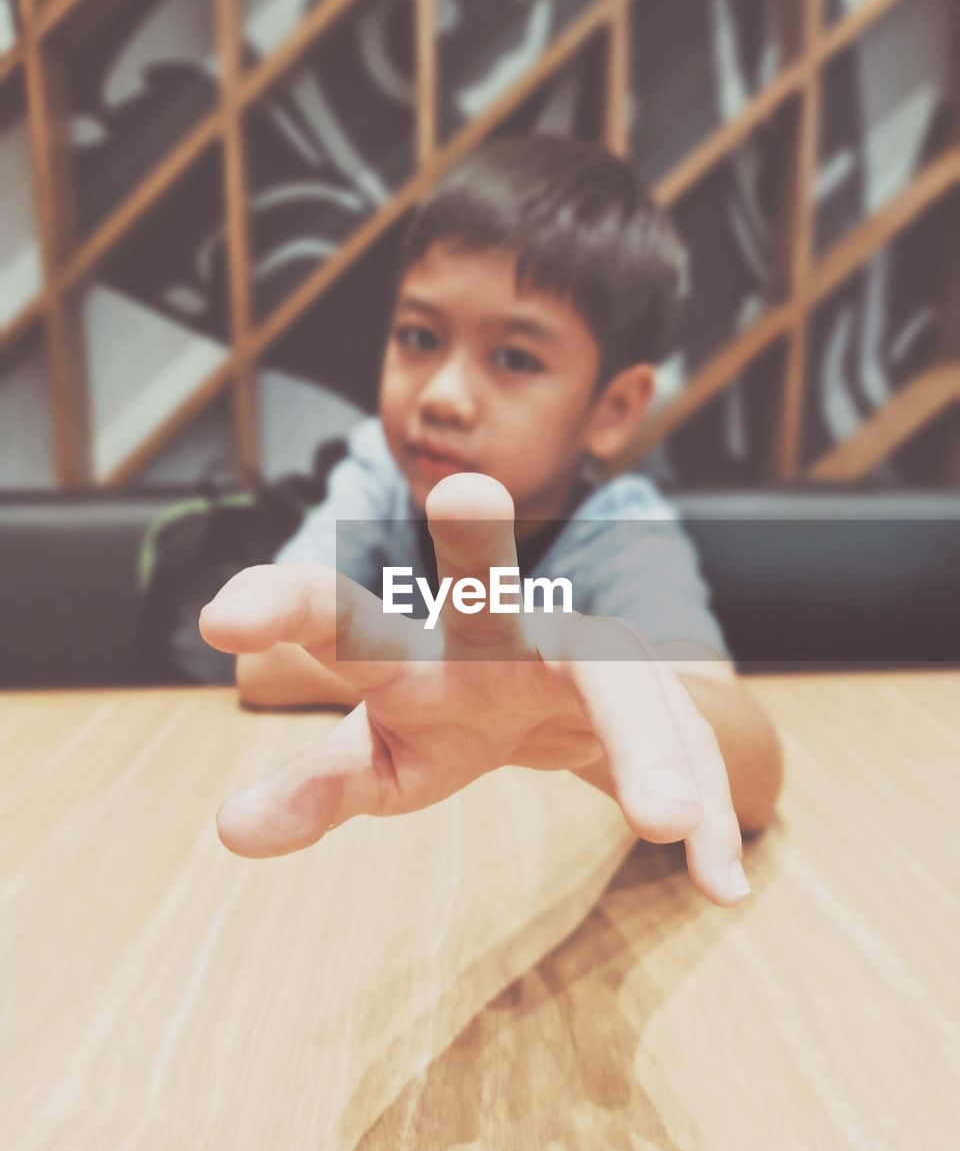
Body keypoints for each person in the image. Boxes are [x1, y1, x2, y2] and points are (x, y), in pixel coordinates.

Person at [199, 135, 782, 908]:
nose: (442, 392)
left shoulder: (619, 528)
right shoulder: (380, 472)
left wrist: (566, 714)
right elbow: (264, 656)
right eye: (418, 338)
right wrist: (446, 669)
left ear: (612, 409)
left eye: (512, 358)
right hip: (364, 876)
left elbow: (751, 769)